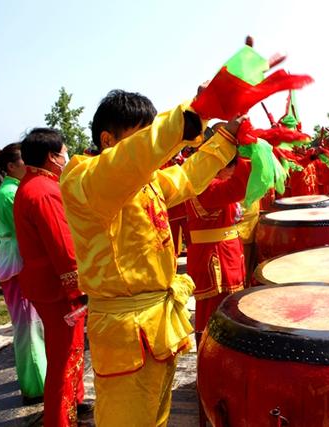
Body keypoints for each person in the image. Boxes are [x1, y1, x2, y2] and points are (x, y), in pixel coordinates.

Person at [59, 90, 241, 426]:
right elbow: (140, 154)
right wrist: (190, 116)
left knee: (157, 416)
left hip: (156, 323)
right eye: (142, 134)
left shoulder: (147, 181)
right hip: (125, 332)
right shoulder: (84, 181)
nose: (154, 146)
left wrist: (225, 139)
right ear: (107, 140)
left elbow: (185, 177)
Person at [14, 128, 88, 426]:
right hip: (59, 290)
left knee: (68, 352)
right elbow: (63, 246)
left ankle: (74, 403)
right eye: (63, 152)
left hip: (47, 285)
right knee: (63, 357)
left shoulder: (33, 184)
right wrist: (81, 288)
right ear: (52, 156)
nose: (66, 157)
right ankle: (59, 420)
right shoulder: (44, 191)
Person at [0, 143, 47, 405]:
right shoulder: (10, 193)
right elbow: (27, 228)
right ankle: (35, 386)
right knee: (28, 326)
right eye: (23, 160)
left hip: (19, 258)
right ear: (11, 167)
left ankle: (39, 378)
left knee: (33, 325)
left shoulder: (13, 189)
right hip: (17, 263)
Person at [185, 157, 250, 346]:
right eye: (232, 168)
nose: (232, 174)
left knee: (229, 310)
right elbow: (237, 188)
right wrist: (250, 156)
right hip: (215, 258)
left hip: (225, 254)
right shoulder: (207, 186)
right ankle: (212, 364)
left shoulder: (208, 183)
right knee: (215, 315)